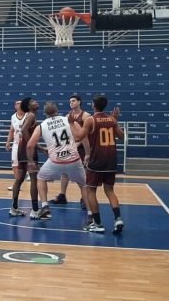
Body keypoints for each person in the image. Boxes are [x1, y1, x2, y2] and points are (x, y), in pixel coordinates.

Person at [26, 102, 91, 222]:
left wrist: (30, 161)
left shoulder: (41, 126)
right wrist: (87, 154)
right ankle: (91, 214)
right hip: (74, 159)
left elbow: (30, 145)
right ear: (57, 111)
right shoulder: (68, 120)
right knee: (83, 185)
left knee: (40, 177)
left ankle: (45, 206)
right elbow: (83, 136)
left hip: (56, 162)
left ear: (45, 113)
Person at [69, 95, 125, 234]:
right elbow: (122, 137)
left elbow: (77, 137)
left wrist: (71, 123)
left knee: (90, 191)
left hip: (97, 159)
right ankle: (118, 219)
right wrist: (115, 121)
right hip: (111, 159)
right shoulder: (112, 119)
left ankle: (98, 223)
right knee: (110, 190)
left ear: (93, 105)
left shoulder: (90, 120)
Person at [50, 95, 90, 209]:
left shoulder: (86, 116)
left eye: (73, 101)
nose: (71, 103)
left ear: (79, 102)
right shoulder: (68, 116)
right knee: (64, 171)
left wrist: (76, 145)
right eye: (70, 101)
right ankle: (62, 195)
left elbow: (86, 135)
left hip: (82, 148)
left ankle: (84, 198)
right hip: (71, 148)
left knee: (83, 175)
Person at [12, 97, 40, 217]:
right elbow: (23, 131)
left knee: (19, 179)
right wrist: (31, 147)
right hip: (27, 151)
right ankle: (35, 210)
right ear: (29, 106)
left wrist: (41, 148)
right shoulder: (31, 116)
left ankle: (13, 208)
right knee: (34, 179)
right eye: (33, 101)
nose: (36, 102)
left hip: (21, 150)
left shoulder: (28, 116)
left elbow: (26, 134)